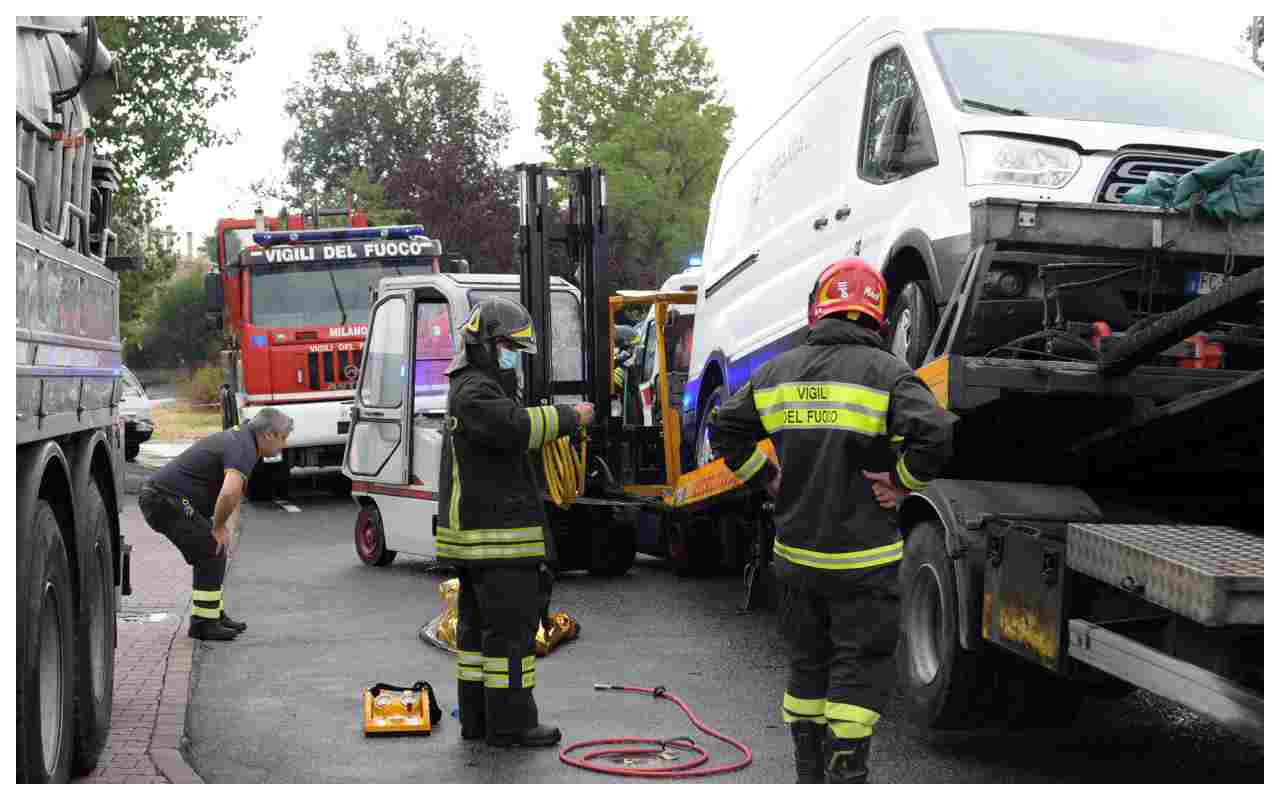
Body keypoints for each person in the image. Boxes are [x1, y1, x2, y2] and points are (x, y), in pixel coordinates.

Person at [709, 258, 955, 783]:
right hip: (864, 564)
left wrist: (765, 476)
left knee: (806, 669)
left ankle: (808, 778)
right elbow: (934, 433)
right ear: (877, 317)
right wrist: (902, 480)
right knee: (857, 672)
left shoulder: (775, 373)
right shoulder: (889, 374)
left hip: (796, 560)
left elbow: (723, 427)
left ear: (818, 309)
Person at [437, 297, 595, 748]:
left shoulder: (474, 386)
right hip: (499, 541)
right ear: (484, 343)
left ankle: (479, 720)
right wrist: (571, 417)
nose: (513, 356)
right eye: (508, 346)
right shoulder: (475, 392)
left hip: (483, 544)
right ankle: (511, 725)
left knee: (477, 638)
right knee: (510, 639)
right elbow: (515, 427)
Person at [137, 407, 294, 641]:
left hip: (169, 498)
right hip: (163, 500)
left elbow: (231, 493)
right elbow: (230, 492)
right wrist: (219, 527)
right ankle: (203, 624)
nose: (284, 445)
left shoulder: (244, 438)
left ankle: (213, 614)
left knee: (214, 549)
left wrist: (222, 526)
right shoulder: (244, 447)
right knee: (211, 549)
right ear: (269, 434)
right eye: (283, 438)